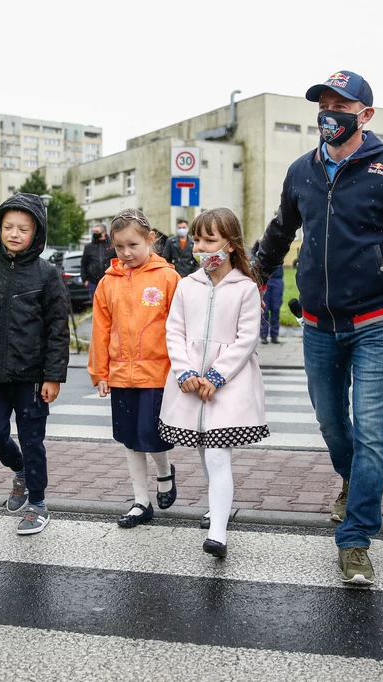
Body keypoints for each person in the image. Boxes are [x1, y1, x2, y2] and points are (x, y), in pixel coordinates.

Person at [253, 70, 383, 584]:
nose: (329, 112)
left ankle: (355, 538)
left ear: (365, 115)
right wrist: (252, 277)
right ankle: (351, 480)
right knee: (333, 424)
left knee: (373, 432)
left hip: (377, 321)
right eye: (324, 103)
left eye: (341, 103)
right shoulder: (301, 171)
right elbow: (280, 231)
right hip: (317, 324)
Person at [159, 208, 269, 558]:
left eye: (210, 240)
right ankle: (216, 508)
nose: (201, 247)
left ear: (231, 245)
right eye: (197, 239)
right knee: (206, 452)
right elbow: (174, 330)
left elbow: (246, 338)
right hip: (191, 383)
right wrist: (186, 371)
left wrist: (217, 376)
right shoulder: (186, 285)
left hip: (228, 386)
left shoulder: (246, 288)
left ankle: (218, 533)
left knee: (219, 454)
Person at [0, 193, 70, 535]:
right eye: (8, 226)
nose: (15, 233)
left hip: (33, 379)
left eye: (24, 228)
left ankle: (37, 504)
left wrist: (54, 376)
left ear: (36, 233)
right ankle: (20, 471)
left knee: (33, 439)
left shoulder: (47, 274)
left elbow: (57, 329)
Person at [88, 209, 181, 528]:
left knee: (150, 434)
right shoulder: (107, 282)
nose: (126, 253)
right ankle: (141, 501)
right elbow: (100, 329)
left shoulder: (168, 277)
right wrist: (100, 372)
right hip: (120, 374)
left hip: (157, 373)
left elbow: (180, 326)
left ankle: (165, 472)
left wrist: (182, 369)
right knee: (129, 438)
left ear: (150, 240)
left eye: (133, 245)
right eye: (119, 247)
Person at [80, 223, 116, 297]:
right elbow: (84, 264)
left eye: (96, 232)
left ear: (103, 233)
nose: (94, 234)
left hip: (110, 281)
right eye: (93, 232)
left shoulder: (112, 245)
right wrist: (85, 279)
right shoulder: (89, 247)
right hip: (93, 282)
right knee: (96, 304)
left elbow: (117, 262)